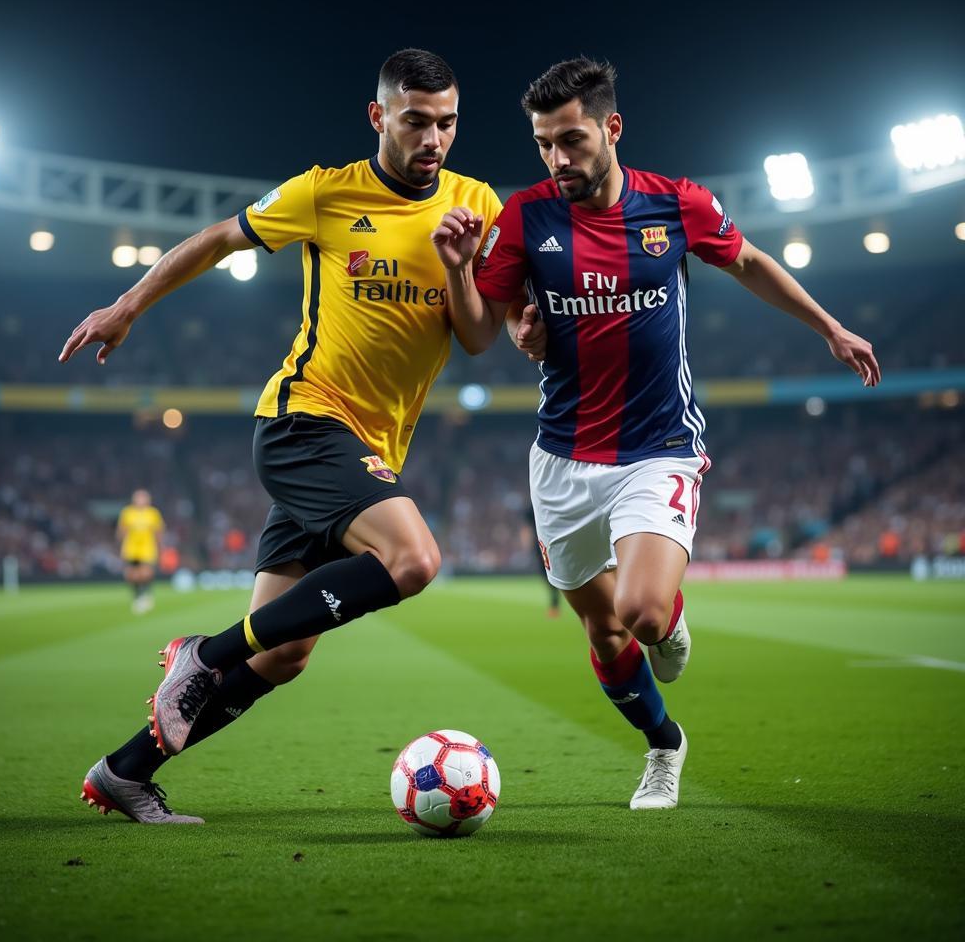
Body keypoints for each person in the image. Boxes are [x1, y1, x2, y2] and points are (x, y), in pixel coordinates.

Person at [60, 49, 517, 824]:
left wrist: (460, 266)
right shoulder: (327, 192)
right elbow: (215, 240)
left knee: (284, 654)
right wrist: (130, 303)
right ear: (379, 118)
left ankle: (124, 772)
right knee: (413, 559)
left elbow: (478, 338)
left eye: (447, 122)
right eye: (415, 121)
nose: (433, 137)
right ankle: (204, 654)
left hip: (370, 449)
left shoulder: (476, 204)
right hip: (305, 420)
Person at [431, 58, 881, 810]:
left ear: (611, 128)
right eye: (543, 143)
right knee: (605, 635)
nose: (557, 158)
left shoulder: (676, 205)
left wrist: (828, 327)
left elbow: (749, 263)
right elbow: (477, 334)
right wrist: (458, 274)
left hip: (658, 445)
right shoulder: (527, 217)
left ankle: (668, 624)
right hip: (562, 457)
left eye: (571, 139)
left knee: (641, 614)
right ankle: (664, 746)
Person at [116, 489, 165, 614]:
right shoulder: (128, 512)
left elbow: (158, 531)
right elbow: (122, 530)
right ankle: (137, 596)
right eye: (138, 498)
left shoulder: (153, 513)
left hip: (147, 547)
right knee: (132, 575)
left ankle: (146, 594)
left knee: (146, 573)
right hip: (131, 548)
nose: (141, 501)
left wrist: (160, 546)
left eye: (143, 498)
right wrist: (120, 544)